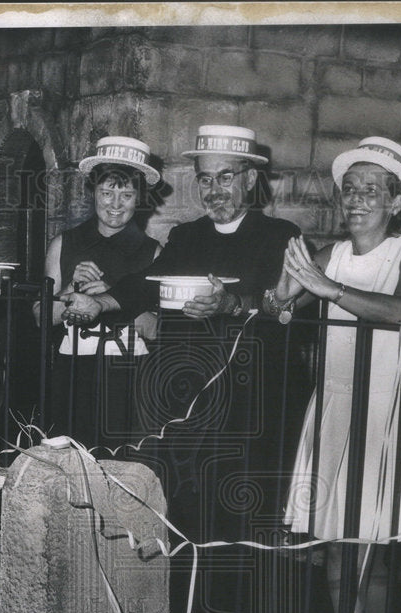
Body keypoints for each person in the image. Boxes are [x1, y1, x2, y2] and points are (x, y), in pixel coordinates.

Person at [60, 124, 303, 542]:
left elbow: (282, 307)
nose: (214, 189)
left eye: (225, 177)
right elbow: (144, 283)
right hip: (187, 404)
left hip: (252, 406)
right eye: (205, 179)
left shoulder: (281, 237)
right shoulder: (186, 237)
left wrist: (231, 304)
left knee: (242, 522)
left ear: (249, 179)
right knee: (183, 514)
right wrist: (101, 304)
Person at [264, 136, 401, 613]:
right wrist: (280, 298)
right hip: (337, 403)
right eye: (350, 190)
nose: (356, 200)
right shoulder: (329, 254)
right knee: (335, 539)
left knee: (373, 540)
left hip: (389, 405)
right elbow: (279, 301)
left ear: (396, 203)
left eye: (370, 191)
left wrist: (327, 288)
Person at [36, 135, 161, 451]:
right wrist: (66, 293)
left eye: (127, 195)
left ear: (140, 197)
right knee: (71, 460)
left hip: (131, 377)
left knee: (126, 465)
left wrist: (110, 300)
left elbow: (156, 329)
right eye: (107, 193)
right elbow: (40, 318)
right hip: (73, 373)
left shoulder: (154, 253)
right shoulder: (63, 244)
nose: (115, 205)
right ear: (93, 191)